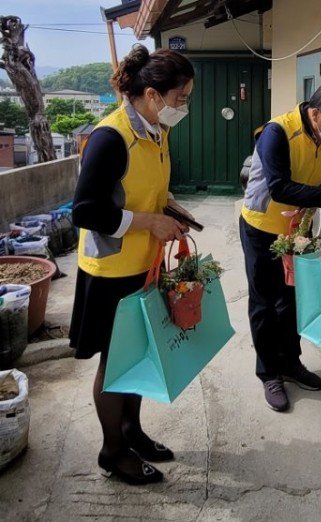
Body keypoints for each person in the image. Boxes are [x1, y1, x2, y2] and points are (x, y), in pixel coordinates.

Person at [69, 45, 195, 484]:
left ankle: (132, 431)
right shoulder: (110, 137)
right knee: (116, 361)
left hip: (144, 266)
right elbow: (84, 211)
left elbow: (146, 191)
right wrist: (148, 222)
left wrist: (171, 211)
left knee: (139, 356)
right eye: (180, 98)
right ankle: (112, 451)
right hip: (109, 272)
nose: (184, 106)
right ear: (152, 94)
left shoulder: (157, 131)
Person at [240, 81, 321, 412]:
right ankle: (269, 374)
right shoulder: (277, 132)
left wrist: (319, 202)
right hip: (262, 227)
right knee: (264, 302)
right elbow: (278, 187)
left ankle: (290, 363)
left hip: (297, 230)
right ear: (316, 113)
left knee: (292, 299)